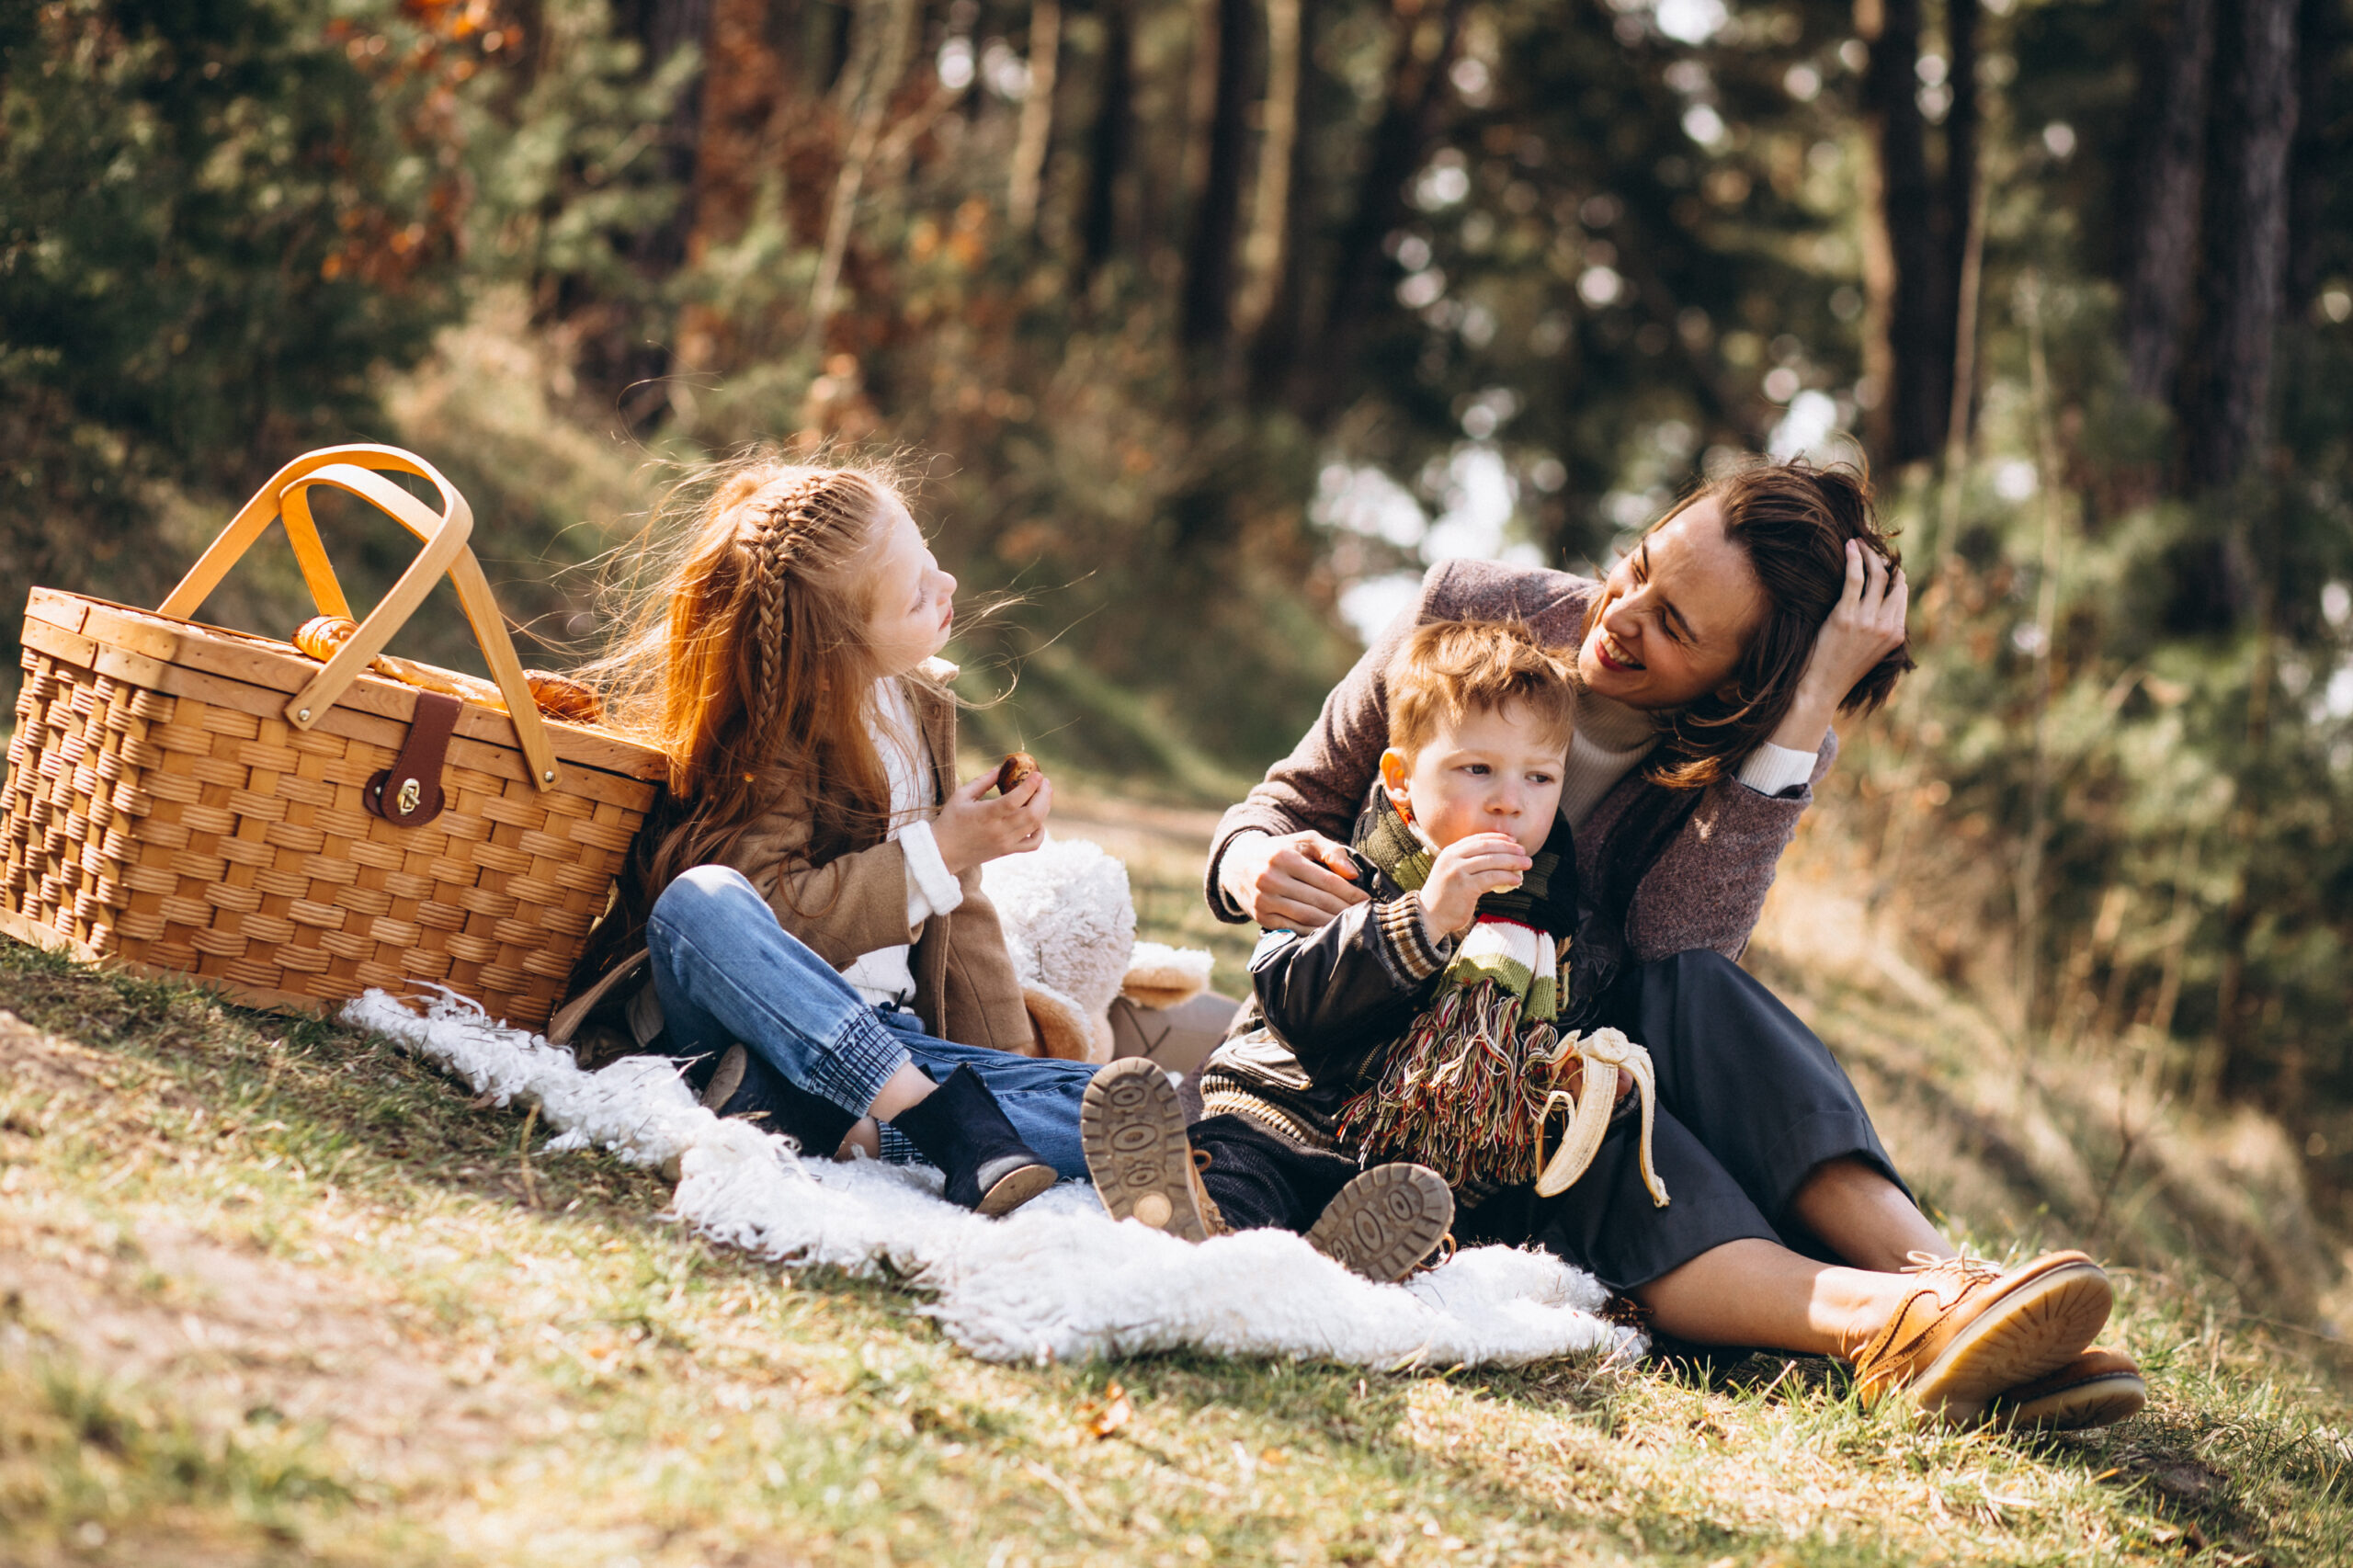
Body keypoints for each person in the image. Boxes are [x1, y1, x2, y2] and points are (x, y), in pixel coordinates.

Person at [1192, 462, 2147, 1430]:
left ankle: (1949, 1289)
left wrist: (1805, 702)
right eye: (1637, 566)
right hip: (1383, 1044)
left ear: (1743, 680)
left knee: (1687, 1003)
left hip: (1554, 1067)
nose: (1622, 613)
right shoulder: (1470, 616)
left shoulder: (1767, 742)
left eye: (1676, 625)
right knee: (1605, 1118)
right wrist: (1252, 861)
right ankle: (1912, 1317)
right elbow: (1286, 798)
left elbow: (1673, 950)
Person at [548, 456, 1108, 1216]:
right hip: (754, 1017)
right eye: (916, 596)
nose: (945, 589)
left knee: (1114, 1103)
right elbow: (766, 919)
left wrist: (1000, 1061)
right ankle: (932, 1122)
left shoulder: (918, 706)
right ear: (834, 650)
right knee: (700, 901)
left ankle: (835, 1120)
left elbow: (959, 918)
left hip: (881, 1042)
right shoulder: (776, 733)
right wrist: (939, 852)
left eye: (931, 562)